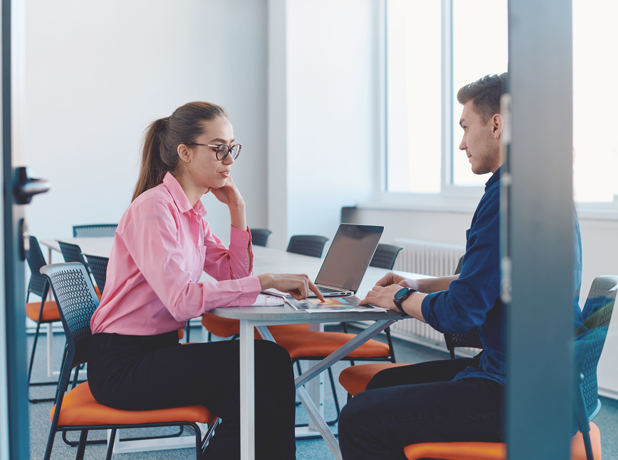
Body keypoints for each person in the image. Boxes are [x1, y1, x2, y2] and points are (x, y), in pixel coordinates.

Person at [338, 73, 584, 459]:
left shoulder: (507, 197)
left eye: (466, 127)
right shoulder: (539, 188)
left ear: (496, 124)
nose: (461, 143)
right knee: (379, 387)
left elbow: (461, 313)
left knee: (359, 418)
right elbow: (489, 280)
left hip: (517, 397)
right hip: (543, 386)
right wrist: (420, 282)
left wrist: (400, 297)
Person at [88, 101, 324, 460]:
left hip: (158, 352)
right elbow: (182, 300)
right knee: (272, 359)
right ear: (184, 152)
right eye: (218, 149)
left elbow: (233, 276)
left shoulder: (193, 214)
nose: (229, 159)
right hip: (123, 366)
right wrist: (266, 281)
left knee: (256, 404)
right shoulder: (154, 209)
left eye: (231, 149)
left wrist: (237, 210)